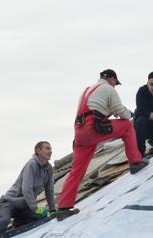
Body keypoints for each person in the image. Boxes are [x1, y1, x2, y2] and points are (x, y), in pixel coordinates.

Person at [57, 69, 147, 211]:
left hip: (80, 132)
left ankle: (63, 207)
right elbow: (120, 111)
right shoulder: (108, 89)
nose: (115, 86)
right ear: (111, 79)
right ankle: (135, 162)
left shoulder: (86, 90)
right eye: (115, 83)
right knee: (127, 126)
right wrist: (130, 113)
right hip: (94, 127)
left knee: (76, 170)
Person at [0, 141, 57, 238]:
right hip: (11, 203)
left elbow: (49, 190)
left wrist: (52, 209)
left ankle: (19, 223)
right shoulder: (32, 164)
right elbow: (26, 189)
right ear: (38, 151)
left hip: (24, 206)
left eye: (50, 149)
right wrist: (35, 208)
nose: (50, 151)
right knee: (4, 220)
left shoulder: (49, 169)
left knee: (40, 218)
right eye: (47, 148)